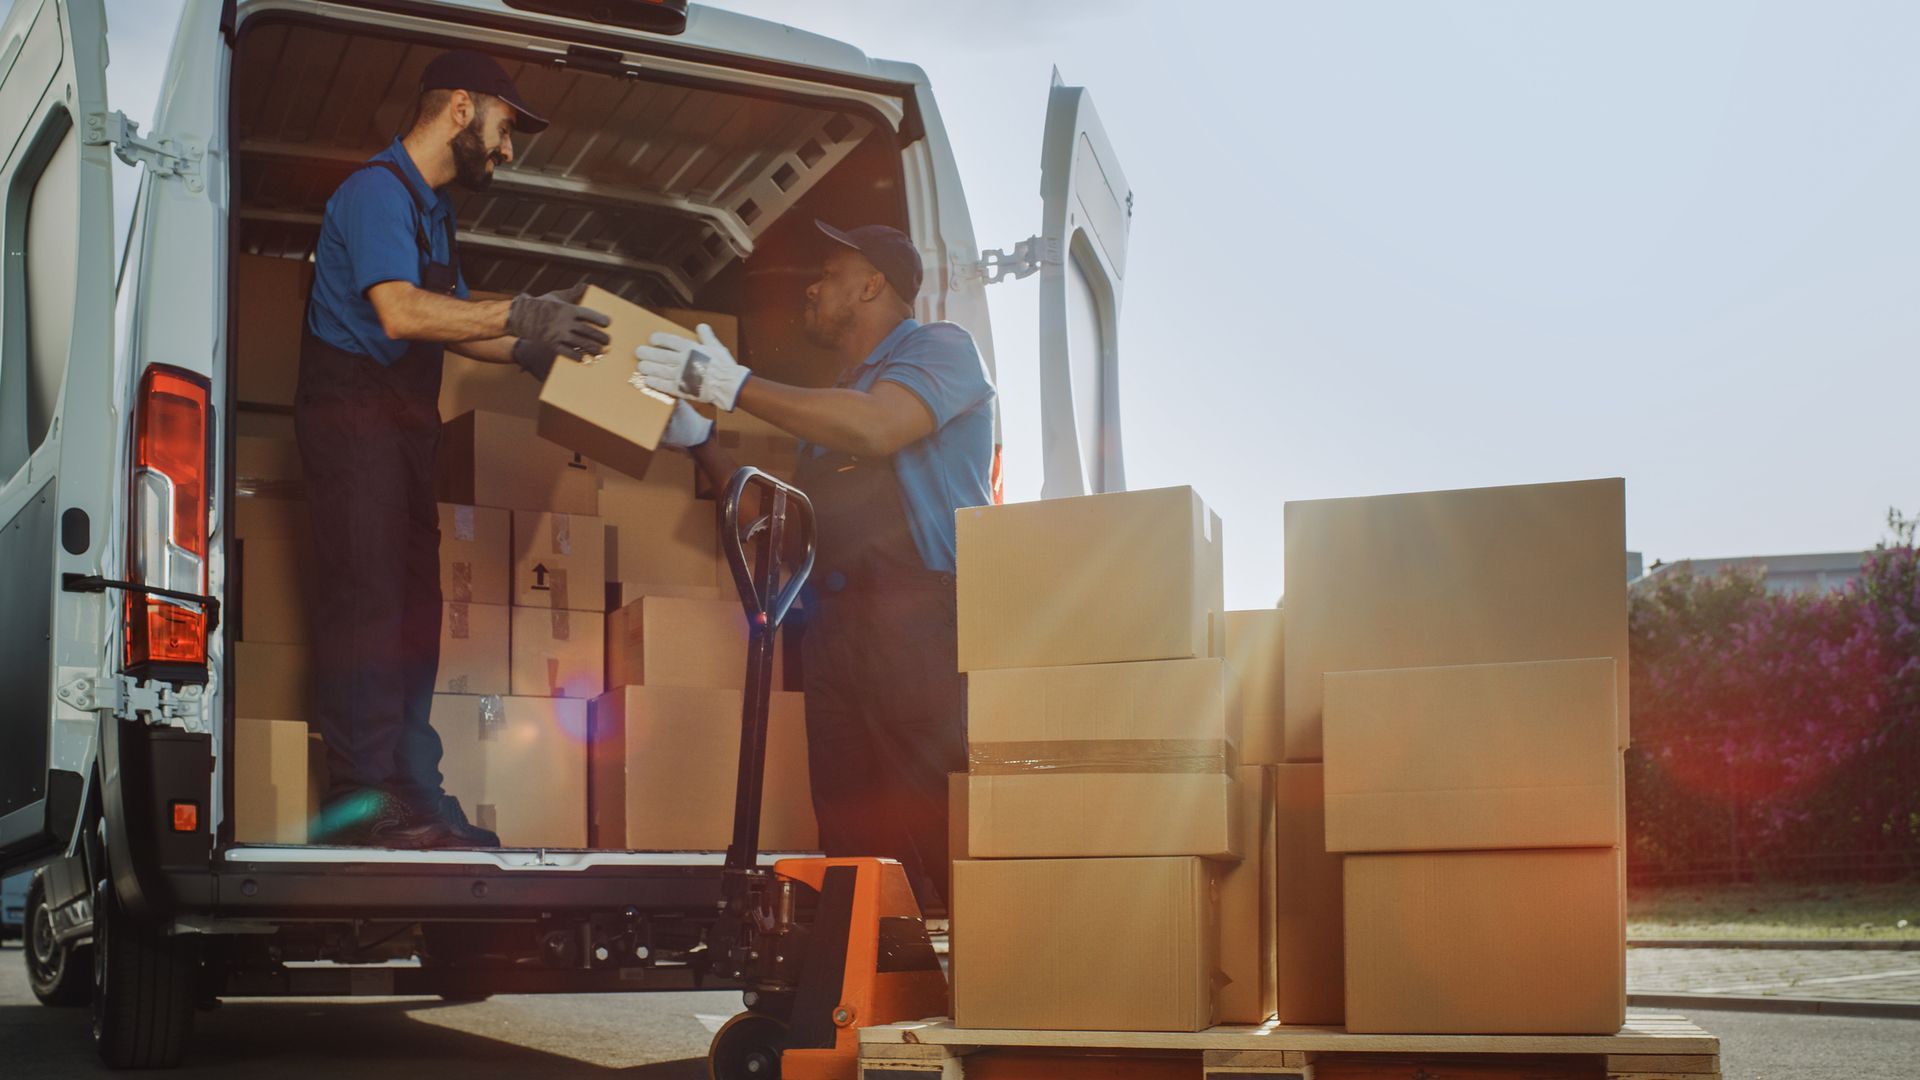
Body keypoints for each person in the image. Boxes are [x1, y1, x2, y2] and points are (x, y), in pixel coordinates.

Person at [299, 50, 612, 848]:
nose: (509, 151)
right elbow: (404, 314)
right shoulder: (376, 192)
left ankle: (412, 790)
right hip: (354, 423)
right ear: (463, 110)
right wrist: (526, 314)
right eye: (508, 130)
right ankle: (363, 803)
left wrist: (545, 348)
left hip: (404, 434)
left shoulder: (432, 212)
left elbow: (466, 322)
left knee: (414, 619)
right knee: (367, 611)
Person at [638, 220, 995, 911]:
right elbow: (775, 533)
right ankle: (875, 995)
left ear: (871, 284)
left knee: (932, 820)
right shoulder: (829, 408)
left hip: (918, 621)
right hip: (833, 632)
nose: (812, 286)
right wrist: (703, 442)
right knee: (854, 835)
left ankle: (977, 985)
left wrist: (730, 382)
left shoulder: (941, 351)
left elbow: (877, 425)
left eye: (829, 272)